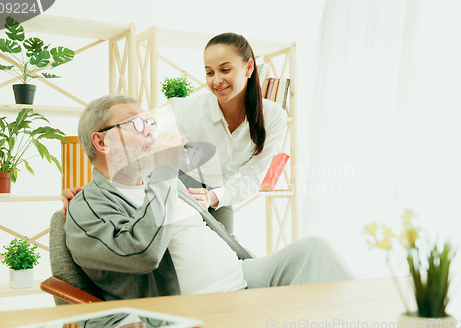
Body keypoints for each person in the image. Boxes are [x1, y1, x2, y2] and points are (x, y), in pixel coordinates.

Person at [64, 93, 354, 302]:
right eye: (137, 124)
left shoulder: (166, 181)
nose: (151, 132)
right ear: (101, 141)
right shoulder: (88, 207)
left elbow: (221, 174)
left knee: (314, 251)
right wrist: (163, 168)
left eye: (150, 123)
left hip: (243, 278)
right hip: (197, 304)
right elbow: (142, 253)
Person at [63, 32, 286, 234]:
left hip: (220, 194)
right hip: (175, 184)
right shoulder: (186, 110)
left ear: (249, 68)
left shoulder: (273, 117)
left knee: (229, 253)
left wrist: (213, 197)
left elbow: (252, 177)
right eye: (209, 72)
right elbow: (139, 147)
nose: (216, 80)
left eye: (225, 70)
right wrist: (92, 190)